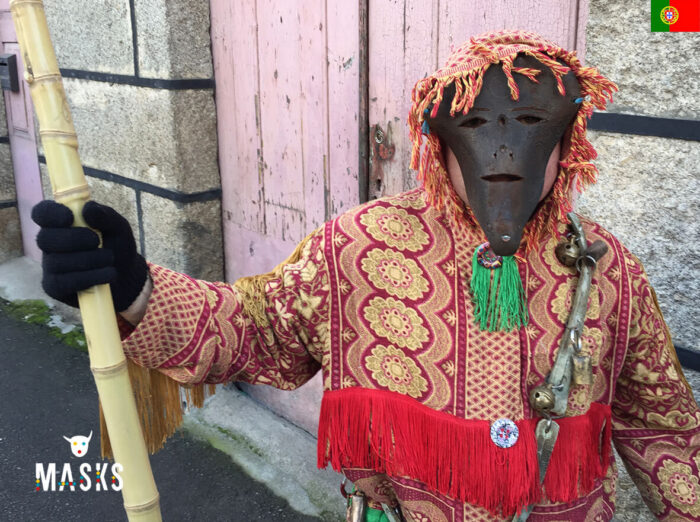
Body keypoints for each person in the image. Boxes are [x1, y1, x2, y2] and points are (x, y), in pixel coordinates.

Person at [31, 30, 699, 522]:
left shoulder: (607, 267)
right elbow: (256, 329)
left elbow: (662, 424)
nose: (503, 153)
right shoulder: (357, 245)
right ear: (439, 143)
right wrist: (133, 289)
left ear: (565, 144)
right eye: (477, 125)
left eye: (530, 125)